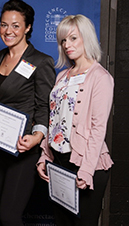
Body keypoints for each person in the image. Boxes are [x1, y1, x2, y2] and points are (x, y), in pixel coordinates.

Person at [37, 14, 114, 226]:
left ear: (86, 38)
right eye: (63, 40)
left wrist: (87, 170)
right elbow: (54, 119)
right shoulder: (62, 76)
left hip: (87, 164)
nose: (67, 45)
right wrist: (45, 156)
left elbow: (99, 128)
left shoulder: (101, 77)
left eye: (73, 38)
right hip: (60, 162)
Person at [0, 0, 56, 225]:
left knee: (9, 215)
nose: (8, 31)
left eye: (15, 25)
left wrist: (37, 136)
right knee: (1, 212)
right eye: (4, 24)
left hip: (22, 148)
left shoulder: (40, 61)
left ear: (27, 28)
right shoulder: (0, 57)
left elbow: (44, 105)